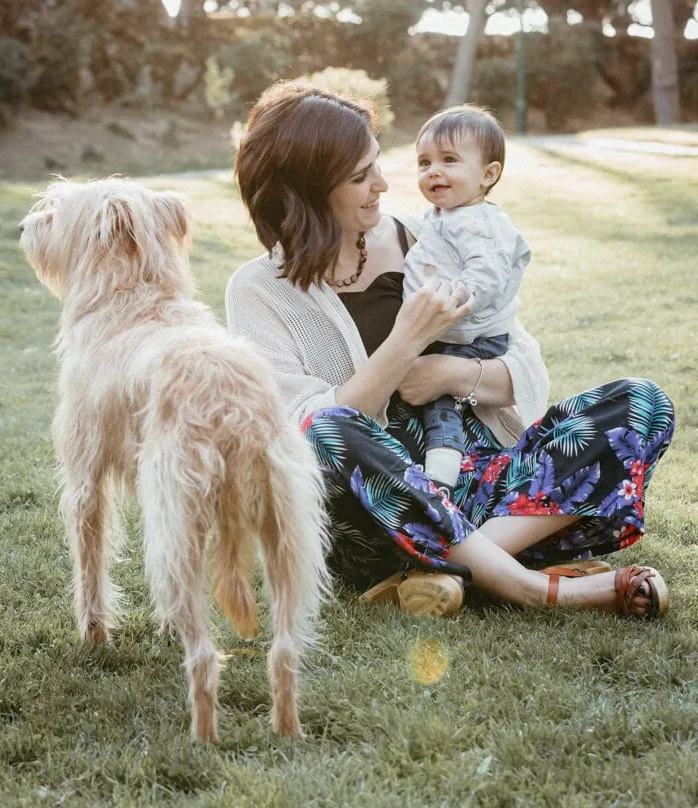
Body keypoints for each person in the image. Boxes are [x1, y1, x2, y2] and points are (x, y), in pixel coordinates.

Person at [225, 81, 674, 619]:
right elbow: (304, 435)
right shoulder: (257, 290)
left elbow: (524, 366)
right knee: (323, 427)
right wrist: (406, 339)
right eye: (360, 176)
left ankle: (448, 571)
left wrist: (448, 373)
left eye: (377, 163)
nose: (383, 184)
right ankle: (530, 586)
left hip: (479, 482)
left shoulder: (429, 236)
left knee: (642, 403)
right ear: (307, 189)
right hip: (381, 513)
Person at [403, 104, 531, 499]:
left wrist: (449, 303)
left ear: (487, 175)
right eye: (424, 162)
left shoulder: (479, 223)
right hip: (451, 329)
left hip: (467, 334)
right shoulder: (445, 215)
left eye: (449, 160)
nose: (433, 171)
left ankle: (441, 475)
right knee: (430, 395)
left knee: (440, 401)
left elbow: (487, 274)